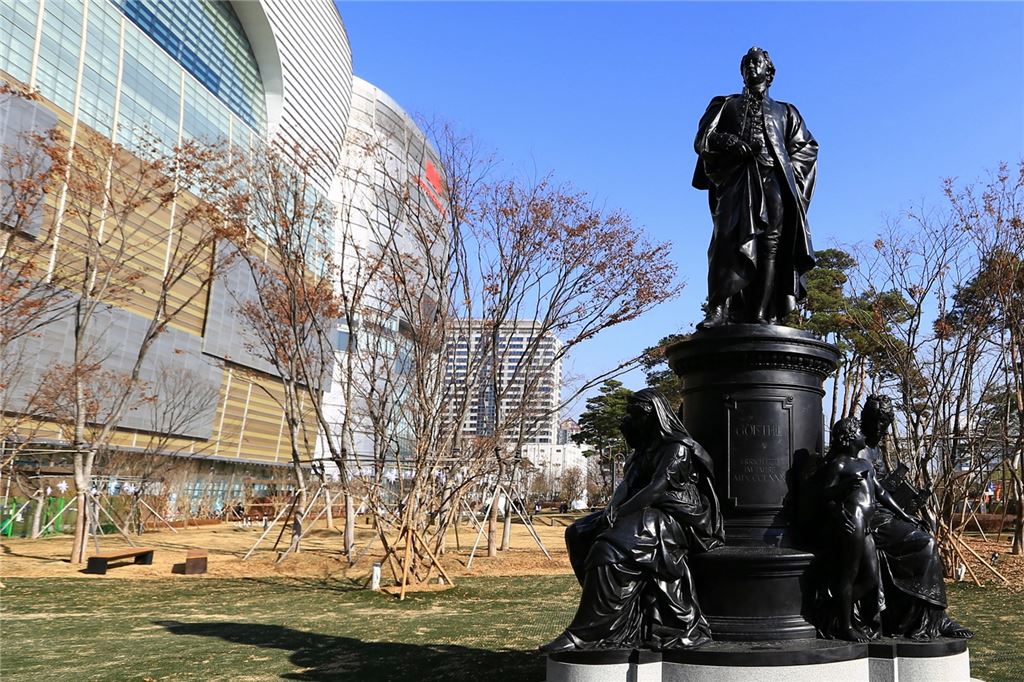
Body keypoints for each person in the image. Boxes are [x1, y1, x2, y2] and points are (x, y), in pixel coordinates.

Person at [540, 389, 724, 652]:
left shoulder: (677, 447)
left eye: (635, 415)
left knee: (608, 547)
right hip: (648, 509)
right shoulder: (644, 448)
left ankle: (587, 633)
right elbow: (628, 483)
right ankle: (619, 615)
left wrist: (621, 513)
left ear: (653, 416)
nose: (629, 420)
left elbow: (657, 487)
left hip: (679, 516)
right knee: (578, 533)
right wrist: (612, 507)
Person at [692, 47, 818, 326]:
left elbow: (806, 148)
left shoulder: (786, 111)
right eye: (746, 63)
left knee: (771, 245)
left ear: (769, 72)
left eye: (756, 62)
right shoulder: (724, 104)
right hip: (737, 179)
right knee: (726, 239)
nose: (751, 66)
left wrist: (790, 172)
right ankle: (718, 310)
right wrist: (728, 142)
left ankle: (762, 313)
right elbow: (704, 139)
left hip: (774, 179)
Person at [858, 396, 973, 640]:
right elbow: (871, 492)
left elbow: (882, 489)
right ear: (865, 419)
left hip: (884, 513)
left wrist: (906, 511)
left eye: (884, 422)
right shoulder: (857, 448)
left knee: (924, 533)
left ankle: (932, 616)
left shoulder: (876, 449)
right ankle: (933, 618)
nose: (880, 428)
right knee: (925, 543)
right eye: (876, 421)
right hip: (869, 518)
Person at [815, 418, 886, 641]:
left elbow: (881, 493)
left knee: (871, 579)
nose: (864, 435)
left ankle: (832, 611)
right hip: (853, 520)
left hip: (867, 524)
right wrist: (842, 491)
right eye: (860, 432)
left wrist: (904, 515)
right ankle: (845, 626)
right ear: (849, 437)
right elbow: (823, 495)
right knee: (849, 574)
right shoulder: (839, 465)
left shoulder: (865, 464)